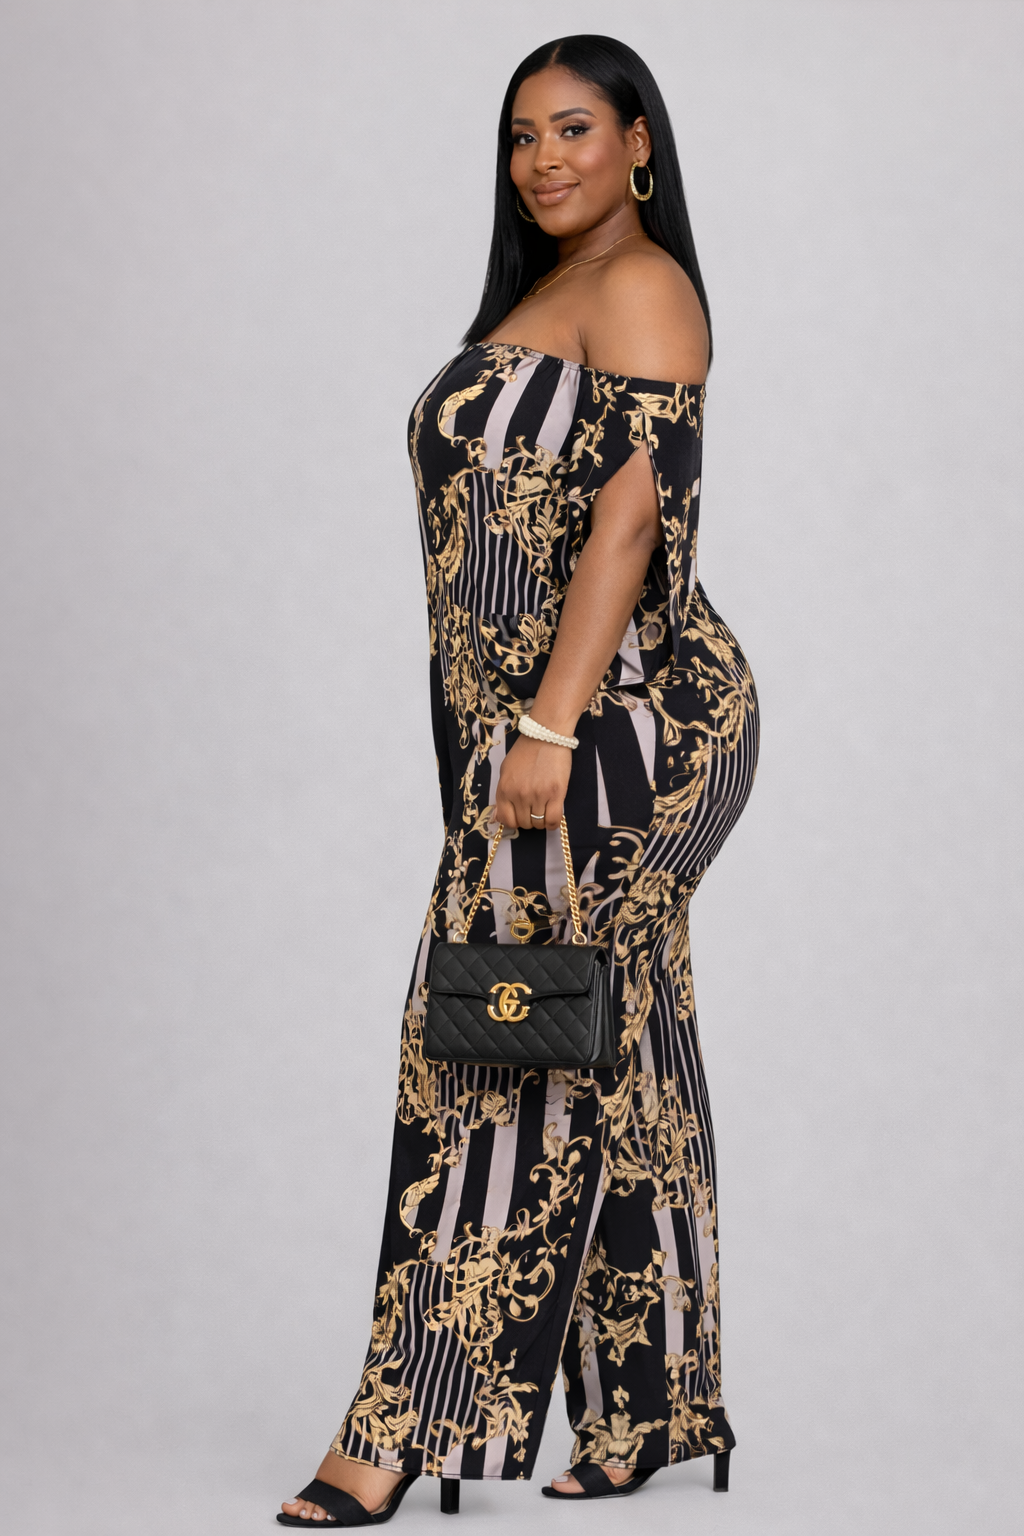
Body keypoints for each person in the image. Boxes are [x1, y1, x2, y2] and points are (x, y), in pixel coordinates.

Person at [278, 33, 758, 1526]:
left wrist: (547, 731)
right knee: (615, 1047)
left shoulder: (643, 286)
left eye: (574, 129)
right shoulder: (539, 295)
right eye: (521, 135)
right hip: (528, 736)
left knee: (490, 1054)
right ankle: (660, 1405)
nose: (544, 159)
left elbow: (630, 522)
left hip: (625, 726)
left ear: (639, 145)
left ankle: (402, 1424)